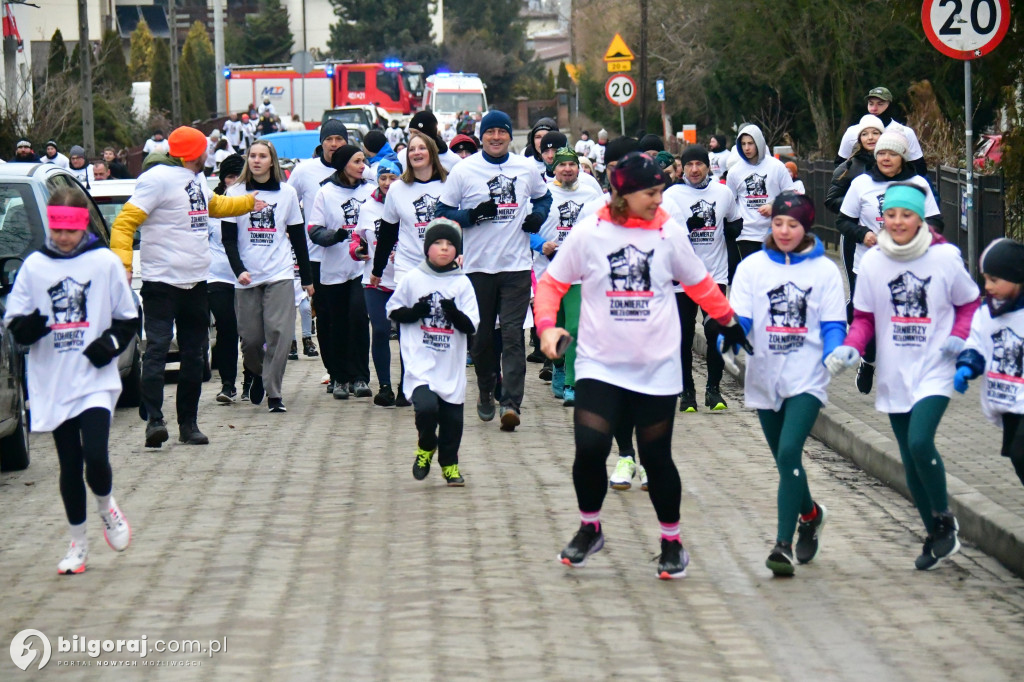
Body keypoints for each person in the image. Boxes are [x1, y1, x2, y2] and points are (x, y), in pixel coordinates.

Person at [534, 152, 752, 578]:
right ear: (623, 193)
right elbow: (552, 283)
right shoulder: (589, 232)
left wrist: (728, 321)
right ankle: (589, 528)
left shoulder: (668, 231)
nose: (659, 199)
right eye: (651, 193)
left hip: (656, 364)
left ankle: (672, 542)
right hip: (599, 362)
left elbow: (699, 282)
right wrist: (546, 328)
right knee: (591, 449)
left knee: (656, 457)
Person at [827, 182, 980, 570]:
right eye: (891, 215)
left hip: (935, 366)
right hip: (896, 370)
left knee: (919, 441)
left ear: (920, 218)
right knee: (909, 461)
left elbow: (969, 302)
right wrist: (852, 346)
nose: (897, 222)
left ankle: (944, 517)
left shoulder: (945, 258)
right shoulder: (875, 261)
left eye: (906, 215)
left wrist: (959, 337)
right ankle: (935, 534)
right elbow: (864, 318)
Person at [4, 187, 137, 574]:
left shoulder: (104, 263)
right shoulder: (35, 266)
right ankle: (78, 545)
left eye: (70, 230)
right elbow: (14, 319)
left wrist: (108, 345)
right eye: (57, 230)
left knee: (95, 455)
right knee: (69, 463)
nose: (63, 238)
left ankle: (106, 506)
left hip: (94, 378)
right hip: (53, 381)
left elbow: (128, 318)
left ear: (83, 227)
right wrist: (27, 329)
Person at [110, 126, 267, 447]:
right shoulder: (157, 180)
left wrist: (248, 203)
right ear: (194, 153)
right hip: (161, 283)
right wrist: (123, 266)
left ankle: (188, 423)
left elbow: (215, 207)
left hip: (197, 282)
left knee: (195, 354)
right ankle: (154, 419)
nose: (209, 152)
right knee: (156, 349)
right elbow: (124, 223)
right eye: (204, 148)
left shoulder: (195, 179)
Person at [728, 192, 846, 575]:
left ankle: (783, 545)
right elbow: (741, 318)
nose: (783, 230)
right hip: (764, 374)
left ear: (806, 227)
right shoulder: (753, 268)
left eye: (792, 224)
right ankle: (810, 514)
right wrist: (728, 339)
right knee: (784, 459)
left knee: (790, 449)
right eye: (778, 222)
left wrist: (835, 351)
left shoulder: (824, 271)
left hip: (808, 374)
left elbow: (832, 324)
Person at [437, 109, 553, 431]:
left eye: (502, 132)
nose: (497, 138)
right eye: (490, 133)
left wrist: (536, 218)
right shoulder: (464, 170)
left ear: (509, 135)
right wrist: (472, 216)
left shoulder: (526, 168)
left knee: (514, 336)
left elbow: (544, 199)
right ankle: (486, 388)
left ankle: (511, 403)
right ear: (482, 136)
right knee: (482, 338)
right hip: (477, 268)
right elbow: (443, 210)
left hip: (515, 267)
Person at [837, 131, 942, 394]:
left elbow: (935, 222)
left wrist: (916, 236)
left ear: (903, 157)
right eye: (881, 153)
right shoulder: (861, 184)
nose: (885, 158)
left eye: (892, 153)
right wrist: (864, 234)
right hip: (868, 264)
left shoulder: (918, 183)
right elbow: (843, 221)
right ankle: (869, 361)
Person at [221, 140, 312, 413]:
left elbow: (298, 239)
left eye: (262, 156)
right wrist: (239, 270)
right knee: (250, 340)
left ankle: (274, 393)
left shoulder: (287, 194)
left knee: (280, 334)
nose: (257, 160)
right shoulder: (234, 192)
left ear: (272, 161)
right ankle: (259, 373)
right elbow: (228, 241)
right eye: (252, 156)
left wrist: (306, 279)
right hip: (247, 277)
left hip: (280, 274)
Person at [387, 218, 479, 485]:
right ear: (427, 248)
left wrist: (453, 312)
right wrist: (414, 312)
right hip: (420, 362)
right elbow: (393, 310)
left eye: (450, 244)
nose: (443, 248)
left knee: (452, 420)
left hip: (450, 365)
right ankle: (426, 445)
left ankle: (449, 464)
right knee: (426, 409)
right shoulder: (413, 278)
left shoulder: (462, 283)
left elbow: (472, 325)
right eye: (437, 243)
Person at [662, 144, 741, 413]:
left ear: (708, 166)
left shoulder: (723, 192)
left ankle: (713, 390)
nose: (694, 170)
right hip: (681, 278)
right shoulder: (672, 195)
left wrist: (733, 229)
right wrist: (685, 228)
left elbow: (734, 219)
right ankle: (687, 392)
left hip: (713, 275)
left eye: (700, 164)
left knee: (715, 331)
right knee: (682, 336)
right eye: (689, 165)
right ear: (681, 168)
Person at [531, 146, 603, 407]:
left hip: (580, 272)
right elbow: (523, 229)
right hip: (548, 273)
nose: (568, 169)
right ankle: (559, 364)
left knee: (574, 327)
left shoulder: (591, 191)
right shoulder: (542, 193)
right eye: (562, 165)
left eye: (572, 164)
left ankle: (572, 382)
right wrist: (541, 244)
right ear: (554, 168)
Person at [307, 144, 375, 399]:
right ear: (344, 164)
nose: (362, 166)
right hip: (334, 269)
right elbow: (314, 230)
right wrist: (334, 236)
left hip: (362, 268)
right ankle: (338, 377)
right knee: (336, 324)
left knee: (358, 318)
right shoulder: (325, 193)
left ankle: (360, 377)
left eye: (364, 161)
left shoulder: (370, 190)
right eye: (357, 161)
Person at [955, 238, 1024, 487]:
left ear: (1016, 278)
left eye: (995, 280)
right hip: (1007, 400)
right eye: (985, 279)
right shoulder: (985, 314)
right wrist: (967, 364)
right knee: (1016, 458)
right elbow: (976, 343)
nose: (988, 287)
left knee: (1020, 452)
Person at [288, 120, 349, 386]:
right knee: (325, 315)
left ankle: (353, 370)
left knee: (351, 316)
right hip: (316, 255)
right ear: (321, 142)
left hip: (350, 255)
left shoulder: (359, 168)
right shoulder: (304, 171)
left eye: (339, 139)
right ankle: (334, 370)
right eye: (329, 139)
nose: (334, 144)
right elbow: (288, 201)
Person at [354, 159, 402, 407]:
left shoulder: (406, 201)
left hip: (404, 280)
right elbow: (357, 239)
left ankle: (406, 386)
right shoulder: (368, 207)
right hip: (374, 279)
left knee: (407, 335)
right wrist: (357, 251)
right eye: (383, 178)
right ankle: (385, 386)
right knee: (381, 330)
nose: (387, 183)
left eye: (392, 178)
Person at [825, 114, 884, 306]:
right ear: (859, 139)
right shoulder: (848, 167)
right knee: (857, 292)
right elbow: (831, 199)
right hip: (855, 236)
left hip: (890, 236)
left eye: (875, 133)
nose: (870, 137)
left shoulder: (896, 166)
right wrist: (857, 205)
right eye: (865, 134)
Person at [207, 154, 245, 403]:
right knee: (227, 328)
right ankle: (228, 383)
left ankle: (253, 377)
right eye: (230, 177)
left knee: (252, 332)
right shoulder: (212, 205)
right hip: (217, 275)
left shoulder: (252, 203)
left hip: (247, 275)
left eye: (238, 177)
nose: (233, 182)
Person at [726, 124, 794, 261]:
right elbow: (730, 202)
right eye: (743, 144)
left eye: (750, 143)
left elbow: (791, 194)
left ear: (759, 142)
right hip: (746, 234)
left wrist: (773, 205)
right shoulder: (734, 172)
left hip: (773, 231)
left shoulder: (777, 167)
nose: (746, 148)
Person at [836, 87, 927, 178]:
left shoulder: (905, 132)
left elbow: (919, 168)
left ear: (890, 105)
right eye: (871, 104)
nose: (874, 108)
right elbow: (840, 165)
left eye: (880, 104)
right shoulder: (852, 132)